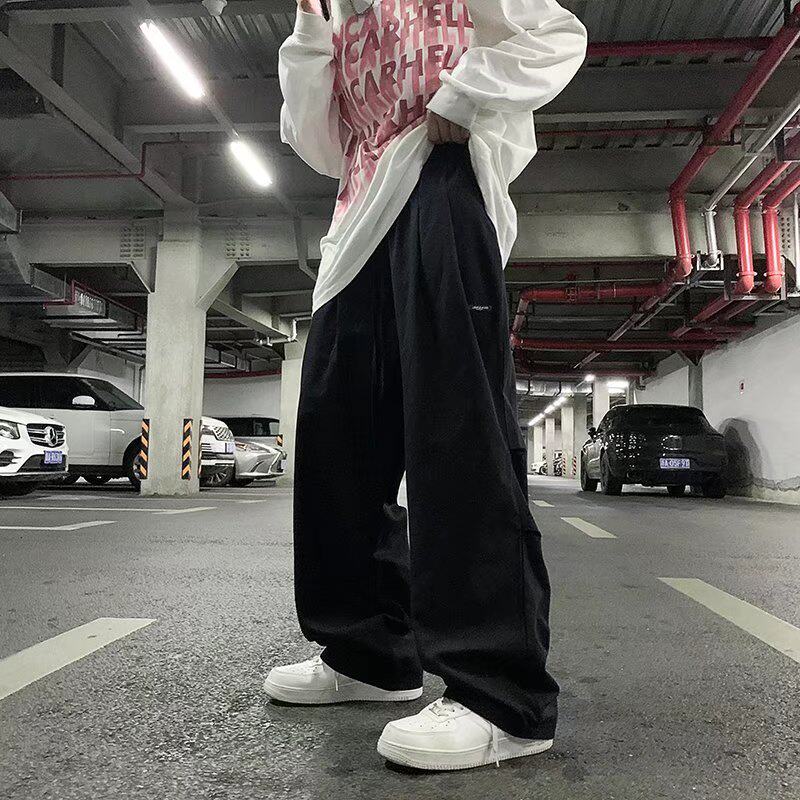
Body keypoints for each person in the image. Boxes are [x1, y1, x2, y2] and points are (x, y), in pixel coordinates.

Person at [264, 0, 587, 771]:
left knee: (456, 434)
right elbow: (318, 144)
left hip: (443, 184)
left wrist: (465, 94)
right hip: (354, 225)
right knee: (338, 443)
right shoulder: (331, 12)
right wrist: (311, 33)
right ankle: (369, 653)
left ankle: (501, 697)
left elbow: (556, 35)